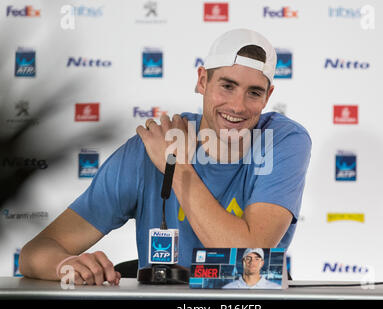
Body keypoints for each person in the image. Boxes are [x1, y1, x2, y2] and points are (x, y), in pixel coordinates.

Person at [19, 28, 311, 285]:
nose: (237, 106)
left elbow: (249, 259)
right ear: (202, 80)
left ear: (268, 96)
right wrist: (64, 264)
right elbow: (36, 253)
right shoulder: (151, 146)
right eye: (227, 85)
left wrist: (178, 166)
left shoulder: (283, 140)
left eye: (254, 92)